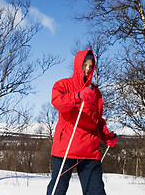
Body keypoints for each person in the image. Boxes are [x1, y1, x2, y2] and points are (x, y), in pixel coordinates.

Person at [46, 49, 117, 195]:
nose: (88, 69)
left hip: (89, 150)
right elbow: (58, 103)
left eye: (91, 66)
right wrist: (77, 95)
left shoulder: (95, 92)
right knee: (57, 190)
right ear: (78, 65)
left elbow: (97, 120)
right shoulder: (63, 85)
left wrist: (106, 135)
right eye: (85, 64)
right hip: (66, 147)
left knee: (96, 191)